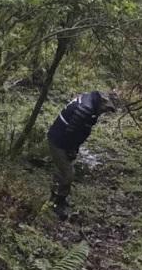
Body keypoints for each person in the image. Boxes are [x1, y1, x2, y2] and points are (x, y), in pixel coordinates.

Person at [47, 90, 118, 220]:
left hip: (63, 140)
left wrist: (75, 149)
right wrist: (71, 149)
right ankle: (57, 203)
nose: (105, 111)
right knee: (68, 174)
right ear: (103, 101)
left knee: (62, 171)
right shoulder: (86, 109)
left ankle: (57, 198)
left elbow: (81, 131)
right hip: (58, 140)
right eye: (107, 108)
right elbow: (71, 132)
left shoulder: (92, 101)